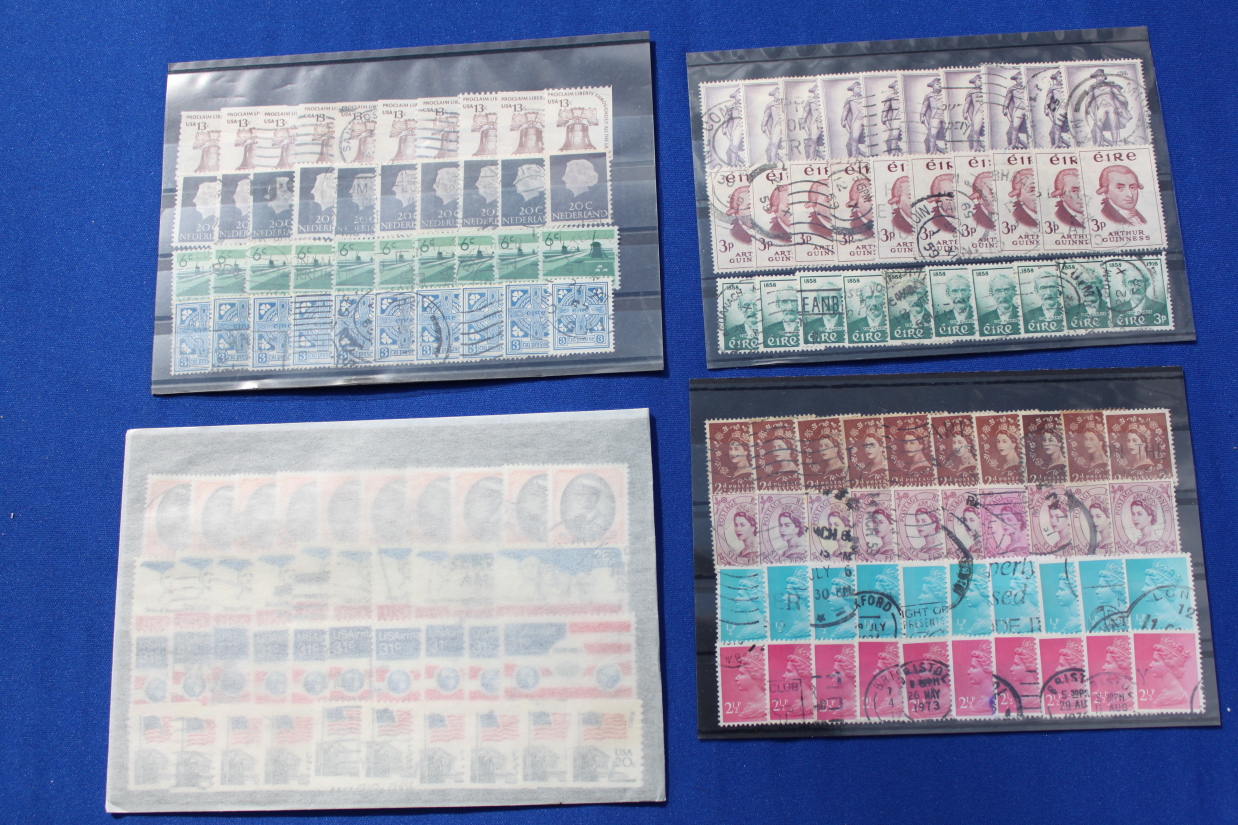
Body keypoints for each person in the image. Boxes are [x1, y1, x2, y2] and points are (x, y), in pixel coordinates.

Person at [1080, 68, 1134, 147]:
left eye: (1102, 76)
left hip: (1112, 108)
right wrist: (1086, 108)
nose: (1101, 77)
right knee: (1098, 125)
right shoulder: (1093, 88)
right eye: (1099, 76)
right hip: (1101, 108)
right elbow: (1088, 99)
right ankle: (1098, 143)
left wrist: (1123, 99)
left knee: (1113, 125)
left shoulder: (1110, 86)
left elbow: (1118, 95)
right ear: (1096, 77)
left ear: (1104, 77)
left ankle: (1115, 143)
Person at [1146, 637, 1192, 707]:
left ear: (1170, 665)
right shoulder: (1168, 693)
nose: (1150, 665)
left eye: (1156, 661)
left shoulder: (1177, 695)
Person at [1087, 561, 1128, 632]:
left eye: (1102, 587)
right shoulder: (1106, 616)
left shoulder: (1126, 616)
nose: (1097, 591)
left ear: (1115, 588)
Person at [731, 647, 768, 720]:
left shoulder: (763, 706)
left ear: (755, 677)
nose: (736, 678)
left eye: (741, 674)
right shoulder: (753, 704)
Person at [780, 646, 816, 719]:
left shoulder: (810, 703)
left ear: (802, 674)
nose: (783, 675)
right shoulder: (798, 704)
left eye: (789, 671)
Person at [1044, 69, 1071, 149]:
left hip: (1070, 108)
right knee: (1057, 126)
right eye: (1060, 76)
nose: (1061, 78)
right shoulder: (1053, 88)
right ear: (1056, 78)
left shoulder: (1068, 86)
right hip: (1060, 108)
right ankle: (1056, 144)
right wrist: (1046, 108)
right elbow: (1048, 99)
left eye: (1063, 76)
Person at [1002, 72, 1030, 150]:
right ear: (1016, 80)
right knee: (1015, 127)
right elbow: (1007, 100)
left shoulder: (1027, 87)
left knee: (1029, 128)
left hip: (1028, 110)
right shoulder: (1012, 89)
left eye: (1022, 78)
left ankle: (1030, 144)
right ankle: (1013, 144)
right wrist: (1004, 108)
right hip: (1018, 110)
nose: (1021, 80)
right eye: (1020, 78)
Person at [920, 76, 946, 153]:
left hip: (945, 117)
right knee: (933, 134)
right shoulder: (929, 96)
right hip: (935, 117)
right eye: (937, 84)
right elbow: (924, 106)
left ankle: (947, 151)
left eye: (940, 84)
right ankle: (932, 152)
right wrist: (922, 116)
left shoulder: (945, 94)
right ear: (933, 86)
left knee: (947, 134)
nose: (939, 85)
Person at [841, 80, 867, 158]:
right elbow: (845, 111)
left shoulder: (865, 98)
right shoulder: (850, 99)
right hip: (857, 120)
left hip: (866, 120)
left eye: (860, 87)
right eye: (857, 87)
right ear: (853, 89)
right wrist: (843, 120)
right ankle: (854, 156)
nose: (859, 89)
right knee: (854, 138)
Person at [1053, 567, 1082, 633]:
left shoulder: (1076, 624)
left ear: (1074, 591)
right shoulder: (1073, 622)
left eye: (1062, 590)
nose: (1057, 594)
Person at [761, 86, 785, 163]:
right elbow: (766, 116)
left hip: (787, 126)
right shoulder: (771, 105)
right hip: (777, 125)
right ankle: (773, 162)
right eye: (778, 93)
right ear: (774, 95)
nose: (780, 94)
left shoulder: (785, 103)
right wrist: (763, 125)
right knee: (774, 143)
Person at [963, 74, 986, 150]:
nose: (981, 81)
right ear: (975, 82)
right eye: (979, 80)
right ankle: (976, 148)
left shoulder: (986, 90)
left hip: (987, 112)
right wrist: (965, 112)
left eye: (982, 80)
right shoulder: (971, 92)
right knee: (976, 130)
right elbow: (967, 103)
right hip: (979, 112)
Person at [880, 80, 903, 154]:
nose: (898, 87)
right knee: (894, 136)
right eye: (897, 86)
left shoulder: (905, 96)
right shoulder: (891, 97)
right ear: (894, 88)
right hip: (896, 118)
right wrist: (883, 117)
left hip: (905, 118)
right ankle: (893, 153)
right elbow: (886, 108)